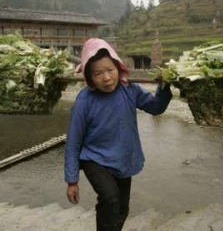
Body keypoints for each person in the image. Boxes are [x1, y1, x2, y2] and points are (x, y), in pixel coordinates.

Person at [64, 38, 172, 231]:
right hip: (94, 158)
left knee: (122, 209)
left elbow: (156, 108)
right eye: (98, 73)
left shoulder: (129, 89)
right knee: (110, 197)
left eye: (110, 70)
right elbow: (73, 142)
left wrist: (165, 86)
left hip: (122, 157)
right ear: (89, 77)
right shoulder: (84, 101)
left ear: (118, 67)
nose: (106, 78)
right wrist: (72, 180)